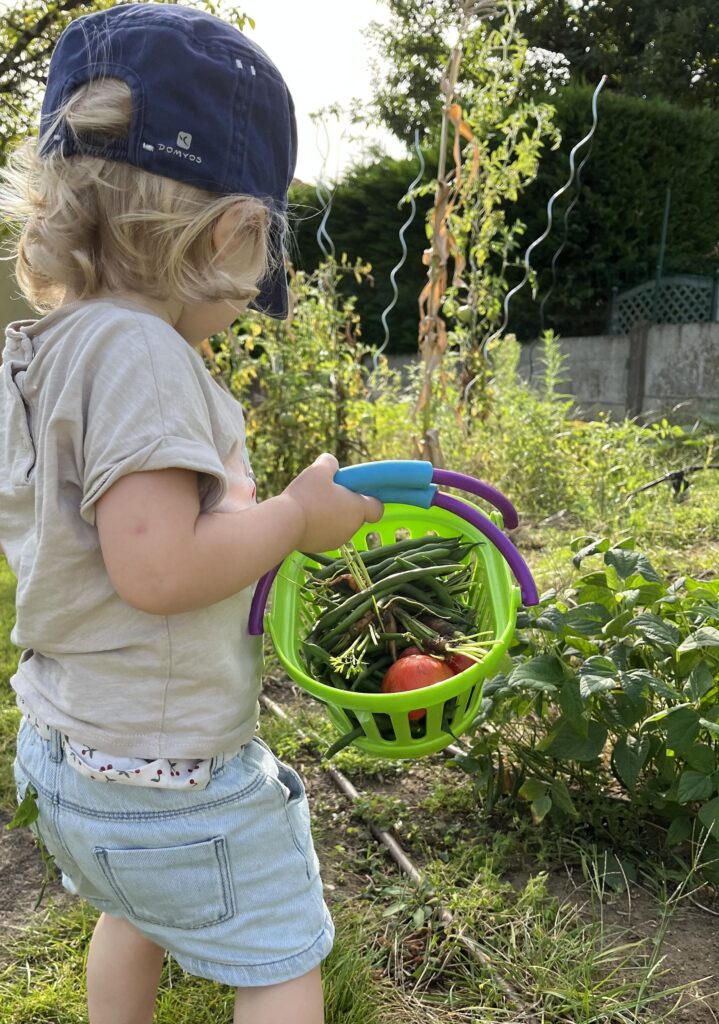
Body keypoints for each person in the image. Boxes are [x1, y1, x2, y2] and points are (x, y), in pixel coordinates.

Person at [0, 5, 383, 1023]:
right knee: (280, 956)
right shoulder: (143, 353)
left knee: (135, 912)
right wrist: (295, 518)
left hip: (68, 750)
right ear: (231, 232)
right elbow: (159, 569)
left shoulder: (46, 351)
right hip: (164, 775)